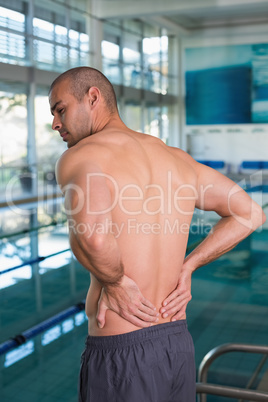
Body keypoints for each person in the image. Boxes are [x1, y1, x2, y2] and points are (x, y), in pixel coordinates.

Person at [49, 66, 265, 402]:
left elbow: (92, 237)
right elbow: (250, 212)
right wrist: (188, 266)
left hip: (121, 351)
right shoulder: (177, 159)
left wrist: (116, 281)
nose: (55, 124)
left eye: (60, 109)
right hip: (177, 342)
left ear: (93, 97)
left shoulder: (82, 156)